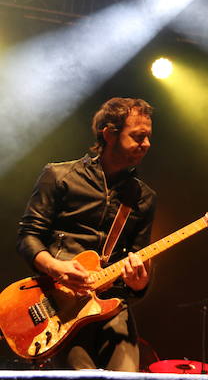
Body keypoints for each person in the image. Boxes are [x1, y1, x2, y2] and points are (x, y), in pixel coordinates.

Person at [16, 97, 156, 370]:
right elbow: (28, 236)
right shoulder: (59, 176)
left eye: (149, 137)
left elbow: (138, 259)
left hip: (112, 308)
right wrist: (56, 267)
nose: (147, 144)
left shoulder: (144, 197)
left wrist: (140, 283)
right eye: (138, 136)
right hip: (59, 305)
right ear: (109, 133)